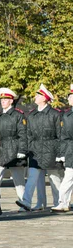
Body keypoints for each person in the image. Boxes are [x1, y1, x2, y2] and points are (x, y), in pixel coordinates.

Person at [16, 84, 62, 211]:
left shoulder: (55, 114)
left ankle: (59, 202)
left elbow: (60, 135)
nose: (35, 97)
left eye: (38, 95)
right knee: (33, 178)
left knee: (54, 179)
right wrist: (27, 149)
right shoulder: (32, 115)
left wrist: (59, 153)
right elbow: (28, 134)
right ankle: (29, 202)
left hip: (51, 149)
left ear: (45, 98)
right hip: (35, 151)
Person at [53, 84, 73, 212]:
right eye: (70, 96)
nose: (70, 99)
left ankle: (64, 203)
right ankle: (63, 202)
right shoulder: (67, 115)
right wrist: (61, 152)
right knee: (68, 177)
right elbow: (64, 135)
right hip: (71, 149)